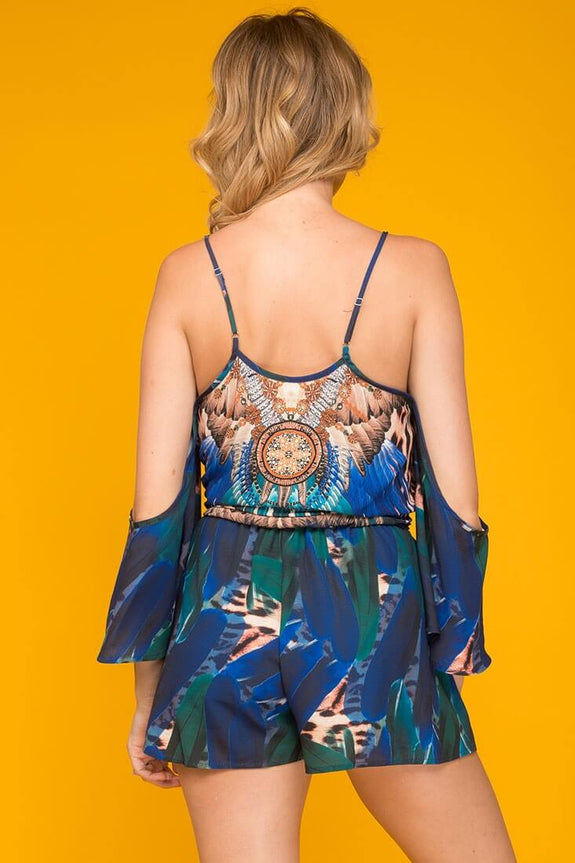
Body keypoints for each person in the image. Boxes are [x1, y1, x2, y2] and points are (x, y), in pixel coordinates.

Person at [96, 7, 516, 862]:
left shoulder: (186, 275)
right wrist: (450, 649)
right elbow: (455, 500)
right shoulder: (413, 269)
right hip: (371, 612)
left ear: (233, 115)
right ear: (345, 112)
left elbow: (157, 509)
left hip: (222, 615)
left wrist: (150, 689)